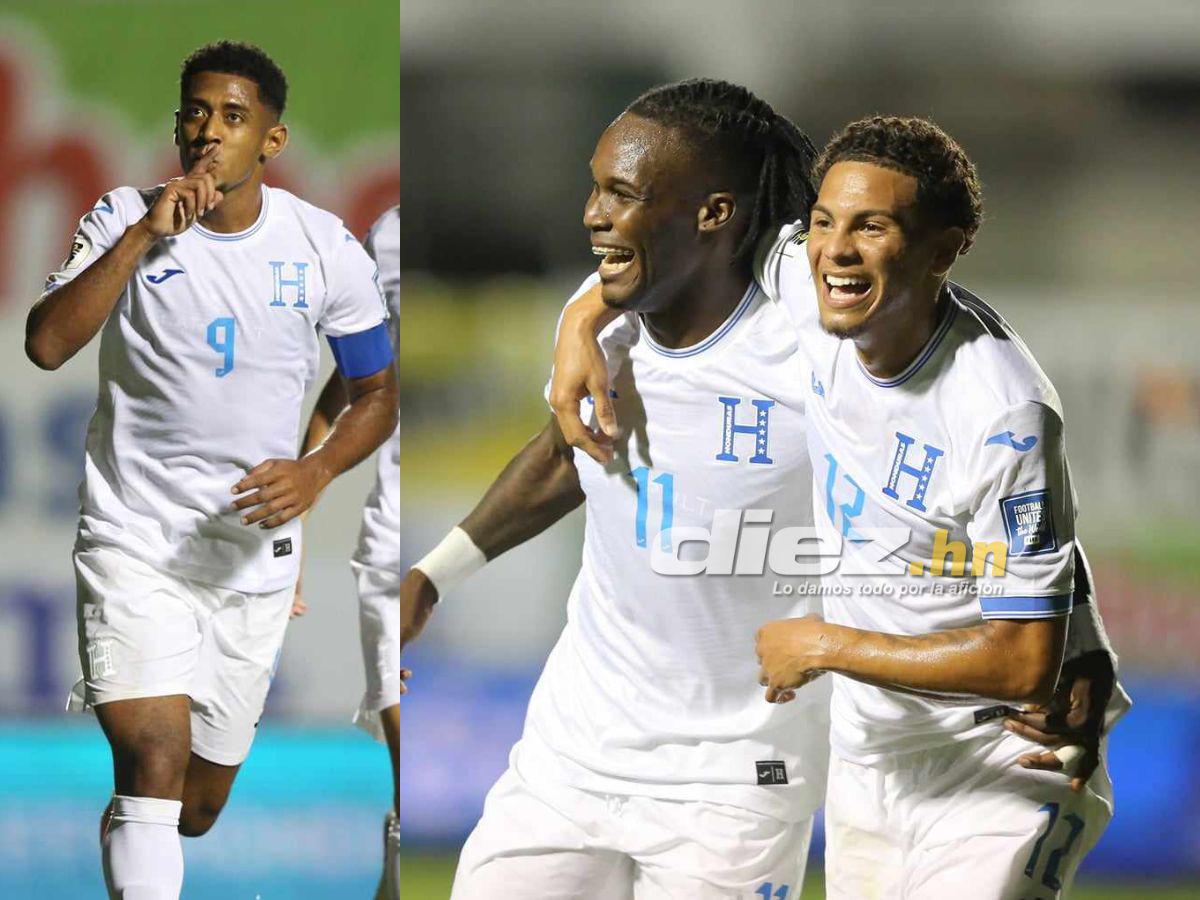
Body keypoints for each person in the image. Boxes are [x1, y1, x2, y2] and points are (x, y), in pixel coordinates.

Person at [551, 115, 1126, 898]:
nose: (836, 250)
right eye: (824, 222)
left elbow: (1024, 661)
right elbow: (665, 245)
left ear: (944, 247)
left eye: (873, 227)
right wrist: (581, 324)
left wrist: (825, 644)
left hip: (997, 765)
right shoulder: (808, 283)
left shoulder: (1000, 413)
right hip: (868, 764)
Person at [404, 79, 831, 898]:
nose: (594, 212)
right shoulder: (610, 315)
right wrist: (433, 576)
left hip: (737, 774)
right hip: (575, 751)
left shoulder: (810, 340)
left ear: (713, 213)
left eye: (623, 193)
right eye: (595, 186)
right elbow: (572, 451)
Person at [25, 41, 398, 900]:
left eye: (233, 117)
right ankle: (140, 832)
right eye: (196, 112)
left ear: (272, 140)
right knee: (150, 761)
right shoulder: (124, 214)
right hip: (134, 539)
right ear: (177, 124)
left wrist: (315, 473)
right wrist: (140, 237)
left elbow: (378, 392)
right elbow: (45, 345)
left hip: (247, 558)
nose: (208, 132)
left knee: (193, 804)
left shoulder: (322, 247)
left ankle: (139, 831)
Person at [298, 204, 401, 900]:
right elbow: (359, 384)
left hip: (470, 527)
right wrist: (289, 524)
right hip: (393, 544)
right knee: (407, 769)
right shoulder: (387, 235)